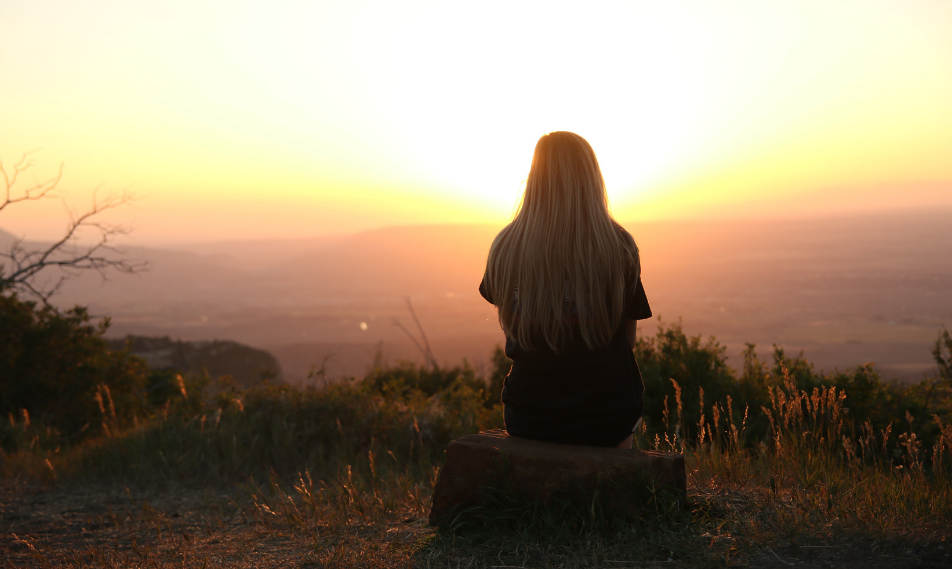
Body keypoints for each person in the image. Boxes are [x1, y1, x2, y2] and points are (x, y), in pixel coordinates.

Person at [479, 131, 652, 449]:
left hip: (528, 416)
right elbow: (627, 343)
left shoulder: (505, 247)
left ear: (535, 178)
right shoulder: (619, 247)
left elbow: (513, 326)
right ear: (591, 179)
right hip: (606, 418)